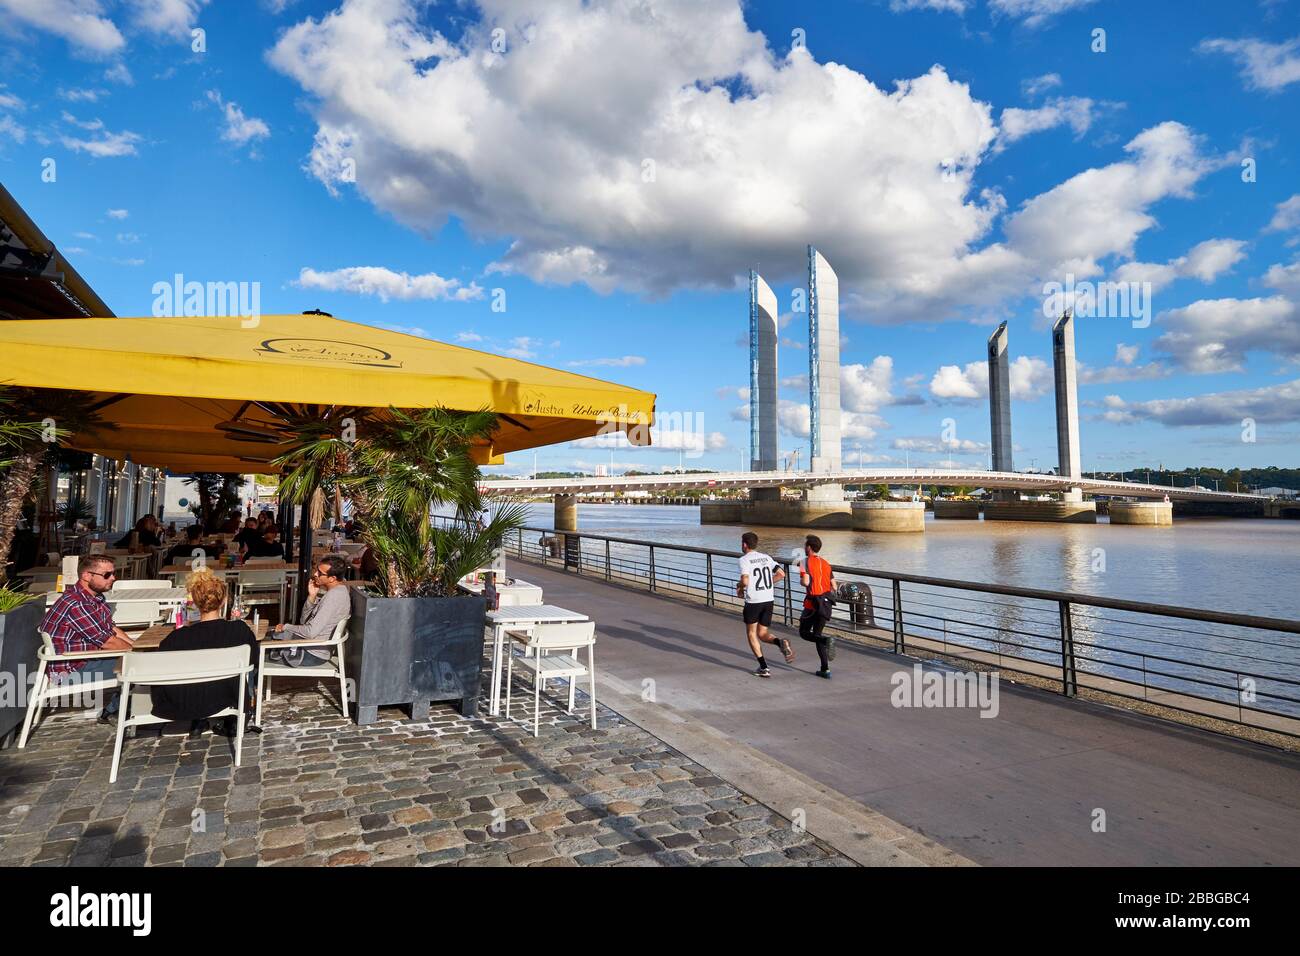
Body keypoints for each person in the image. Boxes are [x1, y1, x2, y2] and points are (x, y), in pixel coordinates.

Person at [151, 571, 259, 736]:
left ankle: (199, 721)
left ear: (193, 602)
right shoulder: (239, 630)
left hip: (185, 700)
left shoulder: (177, 637)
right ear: (223, 601)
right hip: (224, 695)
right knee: (248, 667)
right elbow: (254, 661)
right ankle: (240, 717)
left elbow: (161, 668)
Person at [40, 554, 136, 721]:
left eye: (113, 574)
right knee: (139, 667)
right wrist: (143, 655)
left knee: (139, 660)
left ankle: (117, 709)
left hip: (86, 661)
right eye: (107, 575)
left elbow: (111, 629)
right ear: (86, 576)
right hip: (70, 671)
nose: (113, 578)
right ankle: (115, 712)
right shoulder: (78, 603)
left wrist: (138, 646)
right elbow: (108, 642)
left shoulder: (94, 597)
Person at [270, 555, 349, 666]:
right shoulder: (338, 591)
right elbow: (304, 621)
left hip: (312, 653)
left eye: (320, 573)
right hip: (310, 647)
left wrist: (286, 627)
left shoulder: (333, 597)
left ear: (332, 578)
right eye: (317, 570)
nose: (315, 574)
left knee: (255, 653)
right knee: (265, 641)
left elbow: (310, 632)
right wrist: (312, 597)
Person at [735, 532, 791, 678]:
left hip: (754, 601)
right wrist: (767, 584)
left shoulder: (744, 559)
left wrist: (739, 586)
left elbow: (746, 581)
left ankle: (764, 667)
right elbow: (781, 574)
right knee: (762, 633)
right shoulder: (767, 557)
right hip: (768, 600)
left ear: (744, 544)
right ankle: (780, 642)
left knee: (752, 633)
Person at [798, 535, 838, 679]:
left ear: (809, 547)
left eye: (805, 545)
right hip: (826, 603)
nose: (804, 547)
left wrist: (802, 581)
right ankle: (825, 669)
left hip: (812, 604)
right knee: (817, 634)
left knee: (803, 632)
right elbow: (834, 585)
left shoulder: (804, 562)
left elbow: (806, 582)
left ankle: (827, 641)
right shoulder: (826, 563)